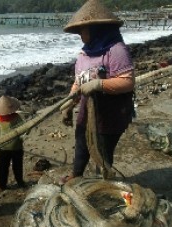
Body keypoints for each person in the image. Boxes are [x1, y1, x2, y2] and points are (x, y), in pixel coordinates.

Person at [60, 0, 135, 183]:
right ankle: (76, 174)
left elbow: (128, 82)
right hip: (87, 110)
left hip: (112, 112)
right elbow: (78, 82)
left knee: (102, 149)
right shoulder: (84, 54)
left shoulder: (116, 50)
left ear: (96, 28)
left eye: (83, 30)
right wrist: (69, 103)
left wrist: (99, 85)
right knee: (81, 142)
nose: (80, 34)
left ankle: (104, 183)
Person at [0, 95, 26, 190]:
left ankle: (2, 185)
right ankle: (20, 182)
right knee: (17, 166)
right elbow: (24, 129)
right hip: (16, 145)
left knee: (3, 167)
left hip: (3, 145)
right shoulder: (16, 117)